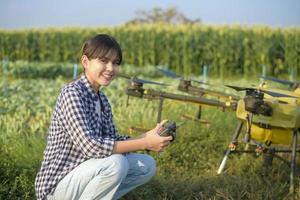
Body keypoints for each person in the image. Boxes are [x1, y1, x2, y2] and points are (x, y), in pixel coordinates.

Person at [35, 34, 173, 200]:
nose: (110, 68)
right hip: (57, 184)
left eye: (115, 63)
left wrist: (149, 138)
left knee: (146, 165)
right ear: (85, 62)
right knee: (115, 164)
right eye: (104, 60)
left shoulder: (102, 100)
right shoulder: (72, 93)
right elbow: (91, 146)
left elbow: (112, 140)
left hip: (86, 173)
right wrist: (144, 142)